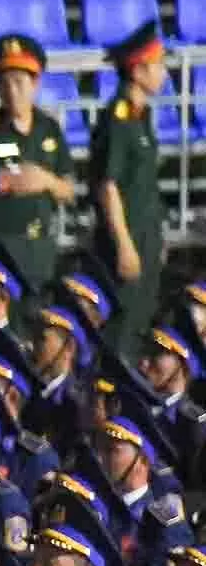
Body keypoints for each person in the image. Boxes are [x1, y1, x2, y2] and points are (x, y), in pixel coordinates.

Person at [0, 35, 78, 294]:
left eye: (19, 82)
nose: (12, 91)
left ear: (35, 83)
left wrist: (45, 180)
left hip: (42, 248)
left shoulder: (49, 128)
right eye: (4, 83)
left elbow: (69, 191)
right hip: (1, 247)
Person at [91, 22, 170, 354]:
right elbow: (107, 186)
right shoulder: (119, 119)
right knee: (122, 331)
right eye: (159, 64)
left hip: (145, 236)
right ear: (138, 70)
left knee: (140, 325)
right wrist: (124, 244)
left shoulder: (140, 116)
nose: (165, 73)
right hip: (128, 240)